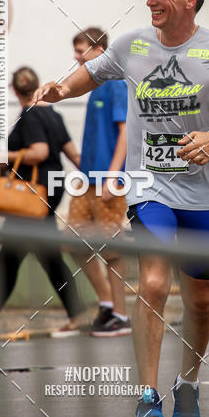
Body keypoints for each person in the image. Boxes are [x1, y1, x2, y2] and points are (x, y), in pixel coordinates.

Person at [32, 0, 209, 417]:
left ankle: (188, 382)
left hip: (204, 194)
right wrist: (60, 89)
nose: (151, 1)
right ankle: (147, 395)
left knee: (200, 301)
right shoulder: (132, 44)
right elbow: (92, 74)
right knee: (156, 282)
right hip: (149, 186)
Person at [0, 67, 86, 340]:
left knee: (10, 258)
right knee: (49, 258)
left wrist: (5, 154)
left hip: (30, 196)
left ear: (14, 90)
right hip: (50, 192)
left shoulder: (30, 116)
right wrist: (99, 181)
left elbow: (40, 152)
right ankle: (78, 316)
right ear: (37, 86)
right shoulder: (54, 115)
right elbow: (74, 155)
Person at [65, 27, 130, 337]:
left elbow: (126, 134)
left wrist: (114, 176)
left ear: (100, 50)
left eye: (81, 51)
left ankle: (121, 315)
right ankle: (106, 303)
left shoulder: (116, 84)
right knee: (72, 241)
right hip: (87, 180)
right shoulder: (93, 86)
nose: (76, 57)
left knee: (112, 248)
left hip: (109, 180)